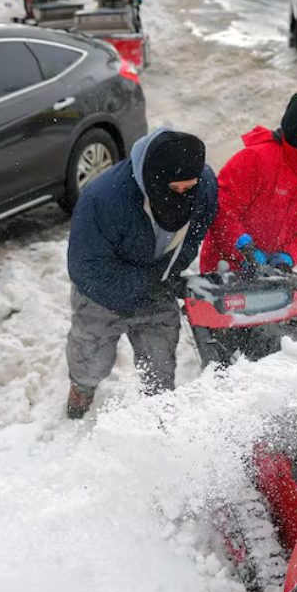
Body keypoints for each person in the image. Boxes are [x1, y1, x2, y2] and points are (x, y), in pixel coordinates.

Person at [65, 128, 218, 419]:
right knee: (91, 357)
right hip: (102, 294)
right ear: (155, 180)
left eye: (190, 188)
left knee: (159, 365)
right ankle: (81, 391)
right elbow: (86, 267)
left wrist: (169, 273)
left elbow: (195, 234)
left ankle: (157, 419)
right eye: (175, 189)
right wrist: (142, 282)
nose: (184, 195)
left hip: (156, 285)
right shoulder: (104, 199)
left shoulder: (205, 187)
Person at [198, 90, 297, 275]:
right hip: (224, 268)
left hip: (273, 272)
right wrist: (245, 250)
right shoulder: (256, 159)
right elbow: (222, 209)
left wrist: (289, 256)